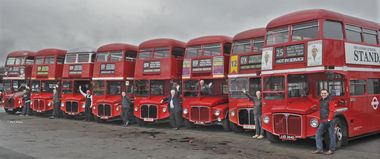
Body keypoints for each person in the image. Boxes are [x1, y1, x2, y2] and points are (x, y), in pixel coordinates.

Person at [312, 89, 336, 155]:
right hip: (323, 121)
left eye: (325, 93)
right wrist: (309, 97)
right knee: (318, 135)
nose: (323, 94)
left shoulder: (330, 100)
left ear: (328, 94)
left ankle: (331, 150)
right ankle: (319, 149)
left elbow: (332, 110)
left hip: (329, 121)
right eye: (322, 93)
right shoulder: (321, 100)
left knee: (331, 135)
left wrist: (329, 119)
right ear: (320, 94)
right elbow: (314, 101)